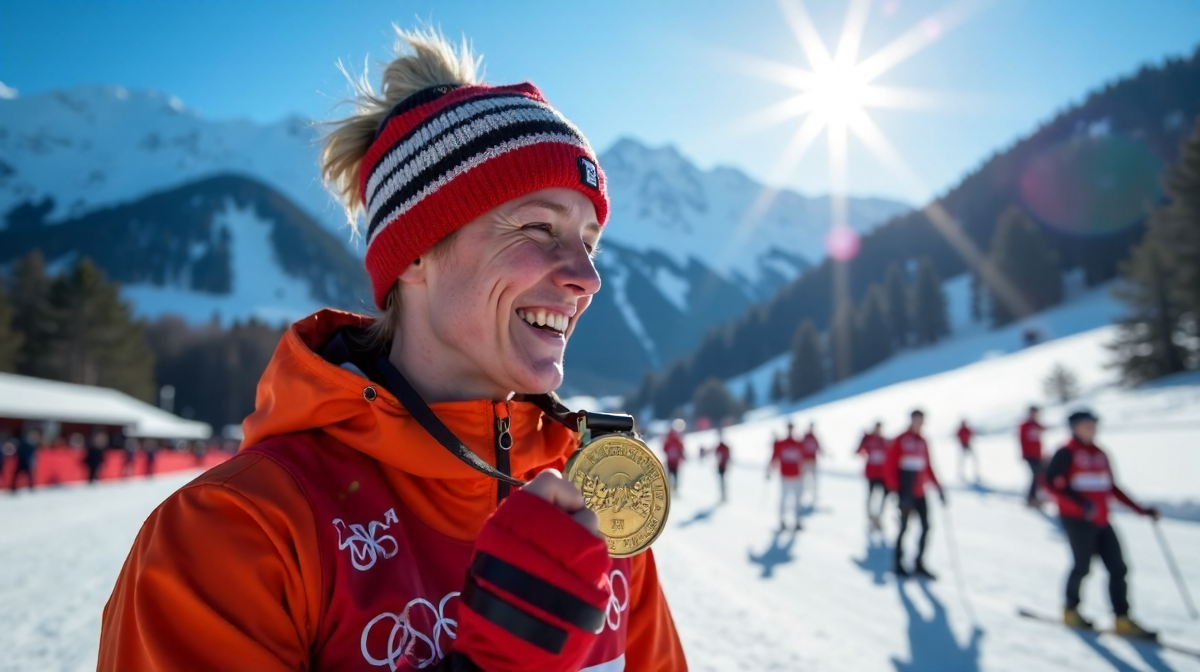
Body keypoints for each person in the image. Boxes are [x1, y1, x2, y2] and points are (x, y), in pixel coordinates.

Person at [99, 28, 685, 671]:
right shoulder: (238, 529)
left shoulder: (596, 507)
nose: (587, 277)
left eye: (589, 243)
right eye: (538, 227)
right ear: (416, 252)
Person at [1045, 410, 1159, 638]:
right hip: (1077, 520)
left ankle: (1122, 619)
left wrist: (1141, 510)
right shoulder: (1066, 451)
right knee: (1082, 566)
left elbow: (1111, 487)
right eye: (1086, 424)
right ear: (1074, 427)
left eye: (1093, 423)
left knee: (1118, 568)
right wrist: (1080, 504)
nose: (1091, 427)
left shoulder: (1100, 453)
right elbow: (1051, 484)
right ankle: (1070, 610)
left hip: (1102, 520)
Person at [885, 410, 945, 579]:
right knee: (904, 527)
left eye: (921, 420)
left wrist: (938, 487)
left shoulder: (923, 441)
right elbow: (890, 464)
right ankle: (898, 563)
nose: (918, 423)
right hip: (905, 491)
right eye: (916, 420)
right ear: (911, 420)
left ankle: (919, 563)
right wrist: (894, 489)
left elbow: (927, 466)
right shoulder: (901, 439)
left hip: (920, 491)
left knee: (926, 526)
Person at [768, 422, 806, 531]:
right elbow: (774, 457)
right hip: (785, 475)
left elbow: (803, 457)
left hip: (797, 475)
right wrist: (769, 470)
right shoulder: (780, 443)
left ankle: (797, 521)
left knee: (797, 499)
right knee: (784, 499)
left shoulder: (799, 443)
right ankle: (782, 520)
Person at [855, 422, 888, 530]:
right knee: (871, 495)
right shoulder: (869, 439)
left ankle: (878, 517)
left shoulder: (884, 441)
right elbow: (859, 451)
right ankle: (870, 516)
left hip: (882, 474)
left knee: (883, 496)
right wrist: (864, 439)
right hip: (871, 473)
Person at [1019, 406, 1045, 507]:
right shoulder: (1025, 425)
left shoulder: (1036, 424)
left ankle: (1035, 497)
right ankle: (1031, 498)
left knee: (1040, 475)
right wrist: (1024, 453)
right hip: (1029, 455)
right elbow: (1022, 440)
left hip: (1038, 455)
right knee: (1036, 474)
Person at [800, 422, 822, 505]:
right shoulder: (805, 437)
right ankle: (803, 495)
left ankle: (814, 494)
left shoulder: (814, 437)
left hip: (813, 461)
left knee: (814, 479)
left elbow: (819, 447)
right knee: (804, 479)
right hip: (805, 461)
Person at [663, 419, 686, 493]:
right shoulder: (672, 440)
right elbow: (665, 448)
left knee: (673, 475)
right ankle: (672, 488)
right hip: (672, 461)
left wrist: (682, 456)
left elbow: (681, 449)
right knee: (673, 475)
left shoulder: (675, 440)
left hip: (673, 461)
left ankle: (673, 488)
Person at [956, 419, 979, 483]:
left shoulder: (964, 429)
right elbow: (959, 436)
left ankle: (974, 472)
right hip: (964, 445)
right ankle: (962, 473)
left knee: (970, 459)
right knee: (963, 460)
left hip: (967, 444)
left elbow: (971, 434)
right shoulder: (962, 429)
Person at [712, 428, 731, 503]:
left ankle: (724, 495)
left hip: (723, 466)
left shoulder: (724, 447)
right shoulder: (719, 447)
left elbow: (727, 456)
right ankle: (723, 495)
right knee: (722, 481)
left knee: (723, 481)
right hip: (721, 466)